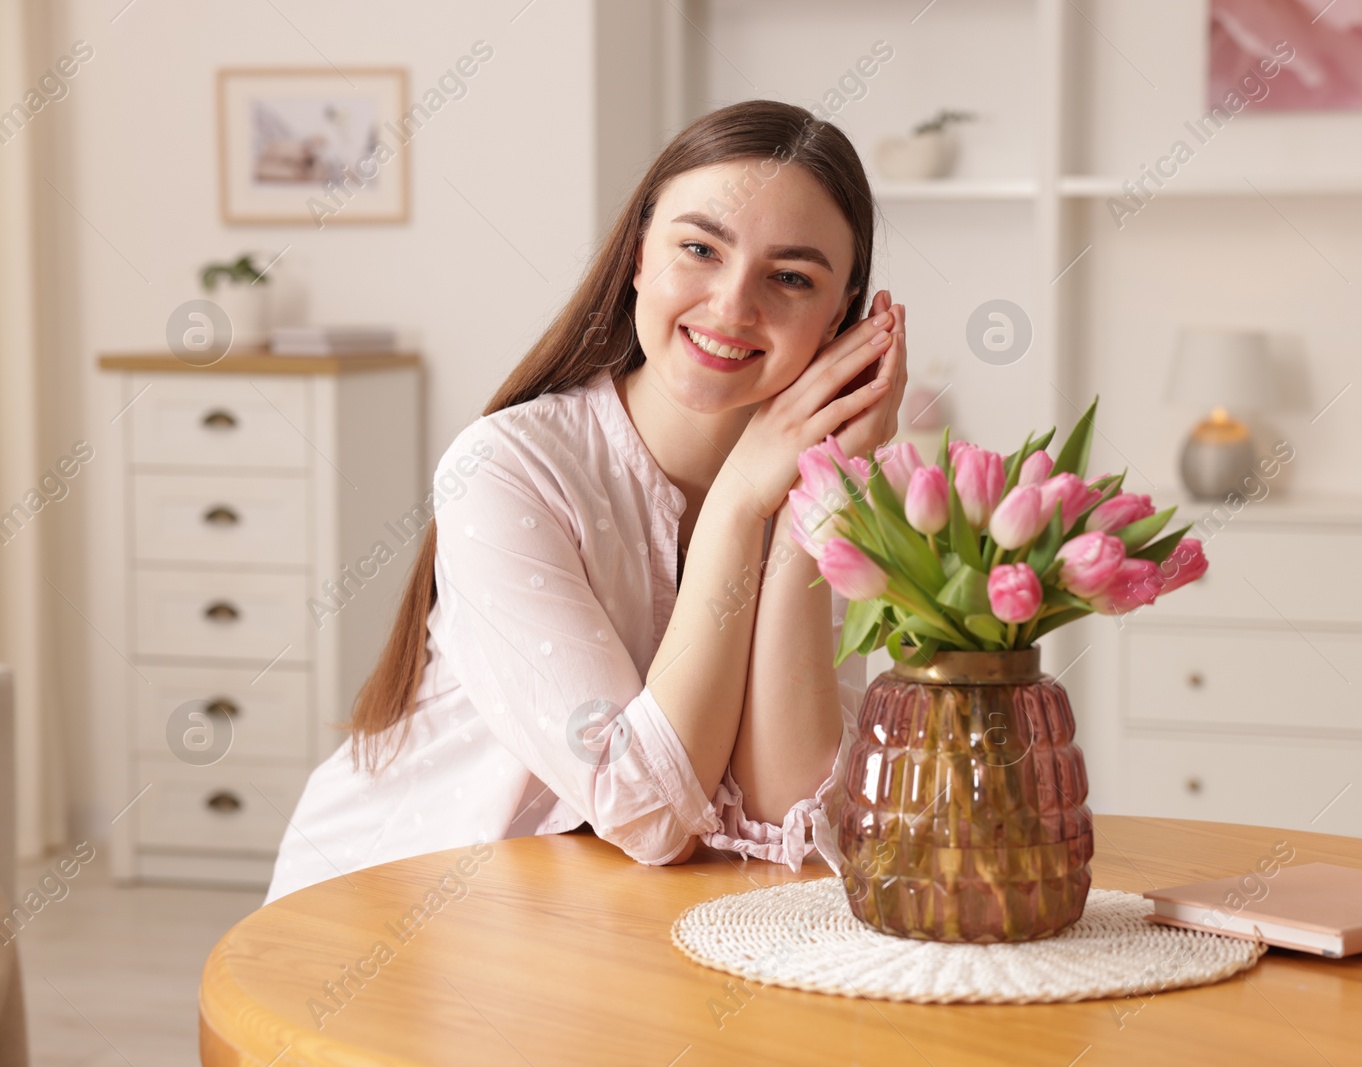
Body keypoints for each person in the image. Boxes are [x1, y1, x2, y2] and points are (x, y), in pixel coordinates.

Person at [263, 99, 908, 904]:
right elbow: (647, 810)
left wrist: (806, 508)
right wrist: (741, 501)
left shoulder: (833, 489)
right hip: (388, 913)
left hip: (587, 921)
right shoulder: (506, 468)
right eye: (700, 248)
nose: (733, 305)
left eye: (790, 277)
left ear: (843, 321)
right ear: (640, 257)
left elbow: (790, 820)